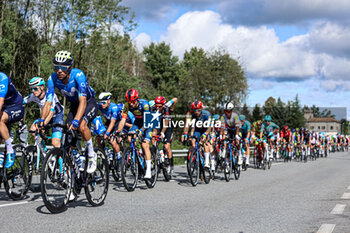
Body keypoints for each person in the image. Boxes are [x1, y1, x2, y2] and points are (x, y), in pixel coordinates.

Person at [39, 50, 98, 174]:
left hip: (88, 102)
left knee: (81, 125)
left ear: (69, 68)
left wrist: (76, 120)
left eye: (62, 67)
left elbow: (83, 101)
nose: (59, 70)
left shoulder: (78, 75)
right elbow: (48, 103)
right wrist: (42, 121)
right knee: (67, 133)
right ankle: (75, 165)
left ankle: (92, 154)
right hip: (74, 105)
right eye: (56, 67)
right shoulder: (52, 79)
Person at [117, 89, 153, 179]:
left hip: (147, 122)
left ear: (137, 99)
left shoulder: (144, 105)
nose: (131, 104)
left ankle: (148, 169)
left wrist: (141, 131)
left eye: (133, 102)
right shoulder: (127, 105)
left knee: (145, 145)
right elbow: (123, 120)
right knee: (129, 138)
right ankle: (137, 155)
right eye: (130, 102)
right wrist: (118, 131)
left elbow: (147, 121)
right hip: (137, 122)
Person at [24, 77, 64, 148]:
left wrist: (42, 125)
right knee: (33, 130)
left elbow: (51, 114)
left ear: (42, 87)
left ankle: (61, 158)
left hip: (57, 116)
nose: (33, 91)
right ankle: (44, 152)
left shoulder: (51, 96)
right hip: (45, 116)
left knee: (55, 143)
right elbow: (21, 101)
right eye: (31, 89)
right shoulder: (33, 96)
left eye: (35, 88)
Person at [0, 72, 24, 168]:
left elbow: (0, 101)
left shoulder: (2, 78)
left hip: (16, 106)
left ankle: (10, 151)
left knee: (0, 119)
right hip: (4, 109)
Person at [182, 101, 213, 169]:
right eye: (194, 110)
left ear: (201, 109)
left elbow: (209, 127)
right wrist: (185, 134)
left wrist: (205, 134)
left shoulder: (207, 114)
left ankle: (207, 162)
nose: (196, 112)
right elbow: (187, 125)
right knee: (193, 142)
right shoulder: (190, 113)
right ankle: (195, 157)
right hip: (197, 129)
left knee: (205, 142)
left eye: (198, 110)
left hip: (206, 129)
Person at [151, 96, 177, 175]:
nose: (158, 107)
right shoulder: (152, 108)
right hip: (158, 126)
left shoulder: (167, 108)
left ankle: (170, 165)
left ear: (163, 104)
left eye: (160, 106)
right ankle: (157, 160)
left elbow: (175, 99)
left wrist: (172, 107)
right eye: (156, 105)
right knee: (153, 140)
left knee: (167, 147)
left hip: (167, 127)